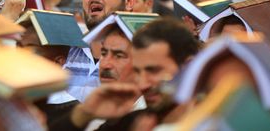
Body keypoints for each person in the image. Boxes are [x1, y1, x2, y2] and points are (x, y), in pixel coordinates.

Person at [50, 17, 199, 131]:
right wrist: (84, 113)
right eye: (137, 71)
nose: (143, 84)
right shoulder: (131, 123)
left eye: (153, 71)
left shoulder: (216, 122)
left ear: (188, 66)